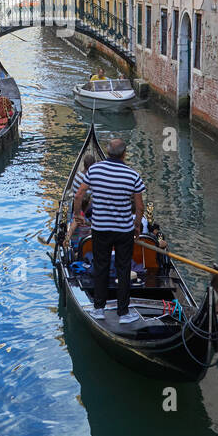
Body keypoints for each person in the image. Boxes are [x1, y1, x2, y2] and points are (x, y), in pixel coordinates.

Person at [73, 138, 146, 325]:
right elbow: (139, 207)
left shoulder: (94, 170)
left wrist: (77, 215)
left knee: (101, 267)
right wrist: (137, 226)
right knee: (123, 269)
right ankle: (123, 313)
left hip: (101, 229)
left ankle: (98, 309)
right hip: (124, 231)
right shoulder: (132, 175)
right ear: (124, 154)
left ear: (107, 152)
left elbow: (79, 194)